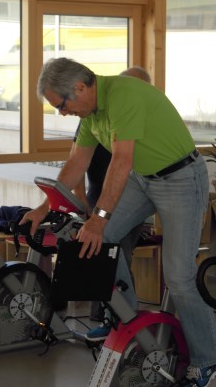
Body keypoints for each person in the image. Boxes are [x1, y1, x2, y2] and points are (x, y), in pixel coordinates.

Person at [21, 58, 216, 386]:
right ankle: (128, 323)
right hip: (144, 178)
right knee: (98, 246)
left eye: (61, 105)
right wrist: (43, 208)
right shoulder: (90, 113)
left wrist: (98, 219)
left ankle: (208, 359)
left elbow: (121, 160)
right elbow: (76, 163)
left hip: (181, 179)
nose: (62, 112)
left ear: (80, 87)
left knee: (179, 276)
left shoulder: (123, 95)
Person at [73, 66, 152, 322]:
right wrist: (80, 197)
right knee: (100, 251)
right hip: (98, 194)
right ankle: (105, 317)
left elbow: (126, 162)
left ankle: (120, 318)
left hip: (129, 197)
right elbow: (76, 159)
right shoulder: (94, 114)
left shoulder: (140, 114)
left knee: (119, 255)